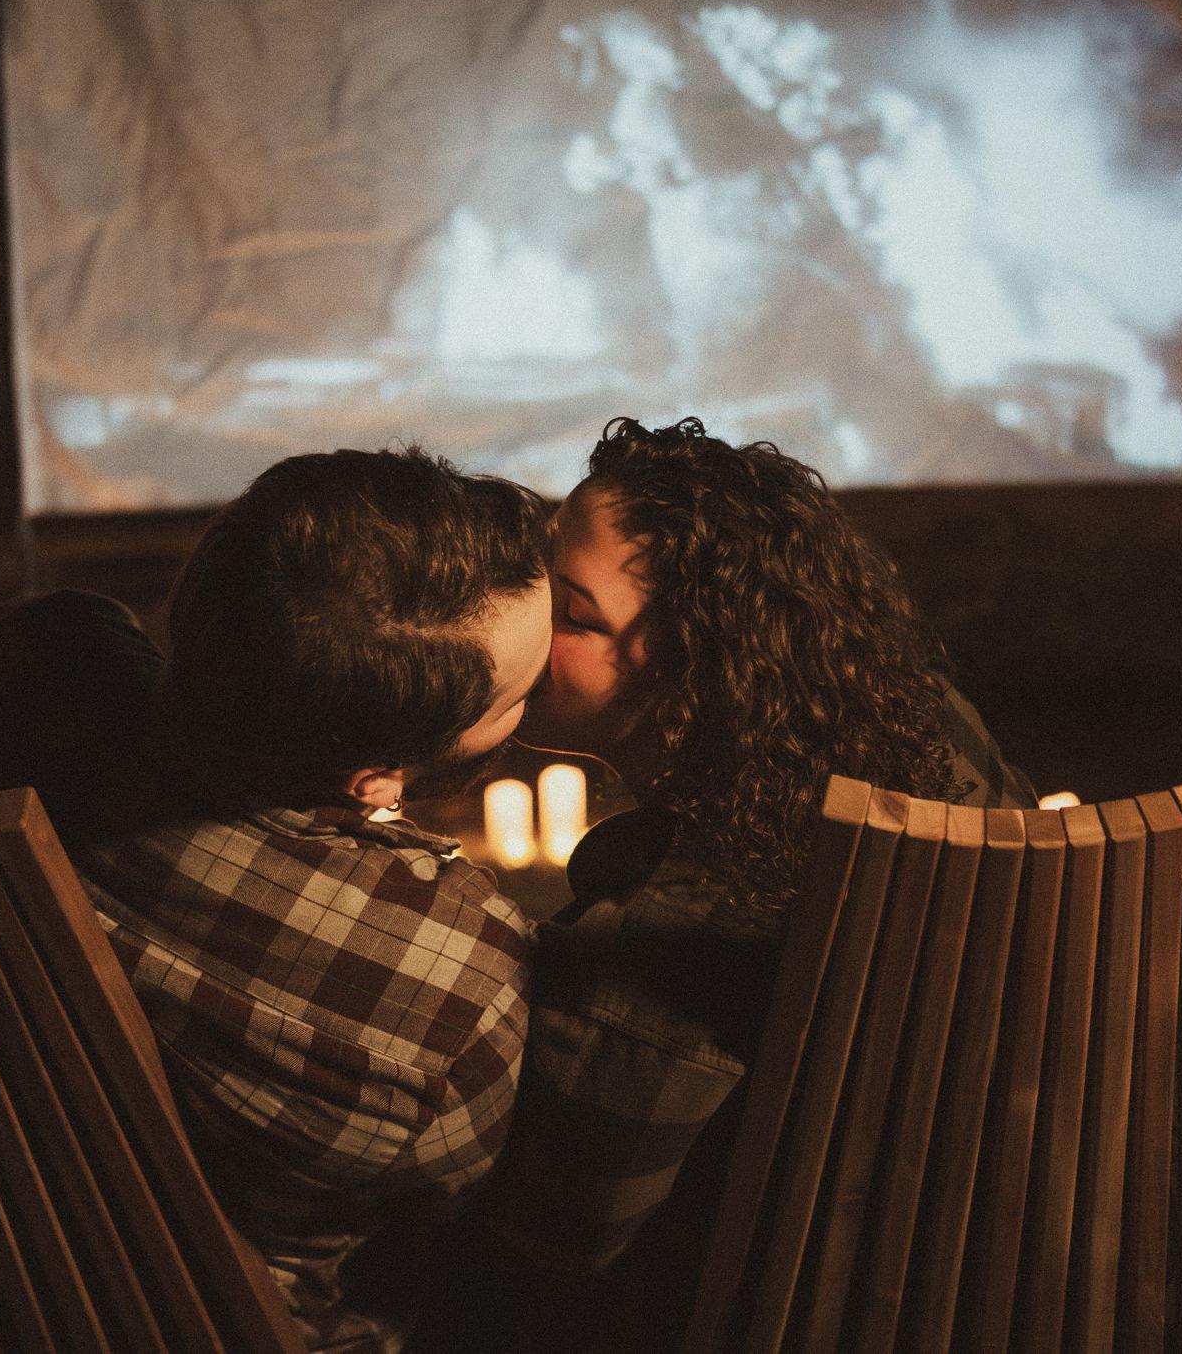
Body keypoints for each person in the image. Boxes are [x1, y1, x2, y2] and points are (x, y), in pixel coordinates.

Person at [0, 445, 554, 1354]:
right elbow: (439, 1224)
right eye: (522, 694)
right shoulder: (458, 984)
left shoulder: (25, 668)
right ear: (373, 779)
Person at [413, 417, 1036, 1352]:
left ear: (698, 673)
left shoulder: (672, 928)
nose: (525, 617)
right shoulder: (923, 725)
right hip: (1005, 1267)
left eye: (573, 613)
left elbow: (553, 1245)